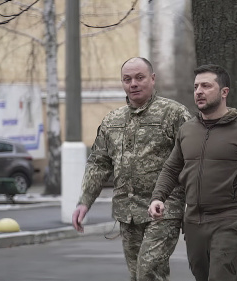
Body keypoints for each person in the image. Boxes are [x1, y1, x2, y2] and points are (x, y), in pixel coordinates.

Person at [148, 64, 237, 281]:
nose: (199, 91)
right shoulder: (187, 130)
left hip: (229, 219)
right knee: (202, 276)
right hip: (194, 221)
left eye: (206, 86)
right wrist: (158, 197)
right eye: (196, 86)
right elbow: (171, 168)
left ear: (224, 92)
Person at [71, 57, 192, 281]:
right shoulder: (112, 120)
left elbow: (192, 159)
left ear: (152, 79)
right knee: (139, 276)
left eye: (139, 78)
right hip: (128, 213)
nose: (133, 84)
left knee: (148, 272)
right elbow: (99, 162)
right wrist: (84, 201)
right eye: (127, 79)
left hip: (164, 211)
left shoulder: (174, 114)